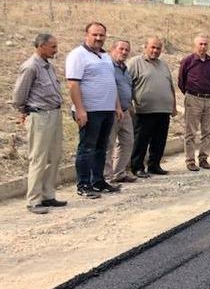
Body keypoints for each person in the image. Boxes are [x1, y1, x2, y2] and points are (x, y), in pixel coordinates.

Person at [66, 22, 123, 198]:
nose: (98, 38)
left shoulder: (105, 56)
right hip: (89, 111)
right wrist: (81, 110)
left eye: (102, 35)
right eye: (95, 35)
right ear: (87, 34)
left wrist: (117, 106)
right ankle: (83, 184)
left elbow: (111, 82)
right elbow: (73, 84)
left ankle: (98, 181)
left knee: (101, 147)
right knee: (87, 148)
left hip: (106, 110)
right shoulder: (78, 55)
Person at [12, 34, 66, 214]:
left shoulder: (48, 66)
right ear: (41, 46)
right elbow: (19, 96)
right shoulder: (30, 67)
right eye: (52, 47)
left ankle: (48, 195)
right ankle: (34, 201)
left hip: (54, 114)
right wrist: (23, 112)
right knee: (38, 159)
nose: (56, 50)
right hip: (40, 116)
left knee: (54, 156)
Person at [128, 37, 177, 178]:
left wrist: (173, 106)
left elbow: (171, 87)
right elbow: (127, 85)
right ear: (145, 47)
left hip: (163, 110)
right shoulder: (135, 63)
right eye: (153, 47)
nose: (155, 51)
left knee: (159, 140)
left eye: (158, 48)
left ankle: (154, 165)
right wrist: (129, 105)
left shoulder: (163, 65)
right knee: (141, 141)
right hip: (143, 111)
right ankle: (137, 167)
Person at [178, 34, 210, 171]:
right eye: (200, 44)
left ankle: (203, 158)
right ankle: (190, 160)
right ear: (195, 45)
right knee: (191, 132)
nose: (203, 46)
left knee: (207, 131)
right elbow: (181, 81)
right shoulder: (188, 61)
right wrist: (190, 95)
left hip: (209, 99)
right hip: (193, 98)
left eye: (205, 44)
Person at [104, 40, 136, 183]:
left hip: (125, 110)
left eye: (126, 50)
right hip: (111, 111)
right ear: (113, 49)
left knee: (127, 142)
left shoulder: (124, 68)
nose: (124, 52)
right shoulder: (108, 66)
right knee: (108, 144)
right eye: (121, 49)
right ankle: (107, 176)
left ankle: (119, 172)